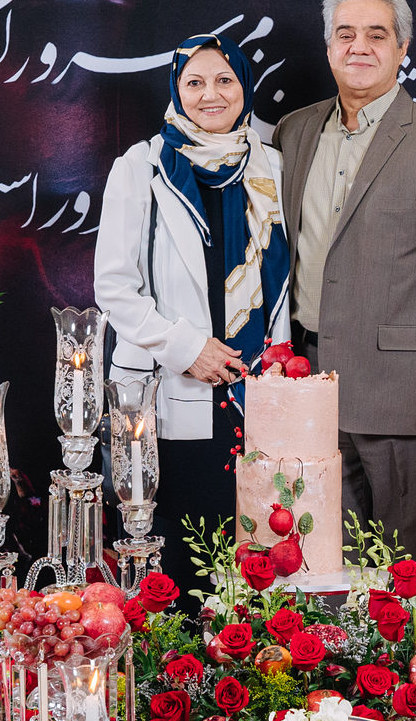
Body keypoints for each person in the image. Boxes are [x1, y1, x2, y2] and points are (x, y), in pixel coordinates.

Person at [275, 0, 416, 557]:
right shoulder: (295, 132)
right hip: (305, 390)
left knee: (406, 571)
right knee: (321, 567)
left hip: (406, 399)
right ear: (328, 47)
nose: (360, 47)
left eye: (377, 35)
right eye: (345, 34)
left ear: (402, 49)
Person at [93, 34, 291, 602]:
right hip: (168, 396)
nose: (211, 94)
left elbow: (287, 278)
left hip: (255, 393)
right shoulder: (141, 166)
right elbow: (114, 286)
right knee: (175, 566)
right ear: (176, 90)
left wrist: (279, 366)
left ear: (244, 88)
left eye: (225, 80)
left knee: (255, 566)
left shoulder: (272, 167)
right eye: (195, 82)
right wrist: (186, 349)